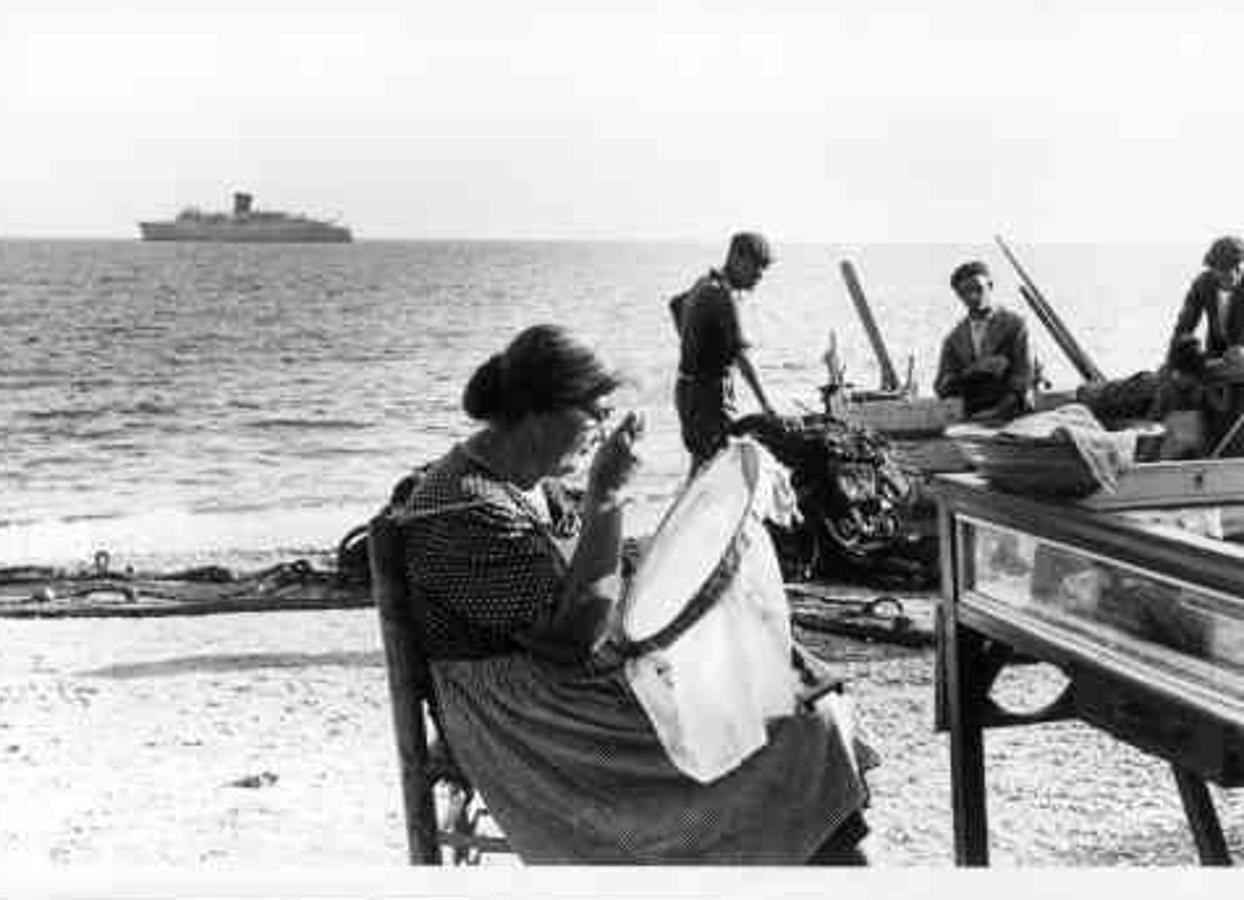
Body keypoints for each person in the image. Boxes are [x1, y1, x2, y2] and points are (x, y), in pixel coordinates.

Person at [397, 323, 872, 864]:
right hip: (533, 721)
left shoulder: (525, 481)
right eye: (594, 413)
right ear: (539, 410)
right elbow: (573, 635)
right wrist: (608, 497)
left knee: (793, 682)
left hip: (559, 688)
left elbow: (586, 586)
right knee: (793, 728)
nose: (602, 429)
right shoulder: (462, 506)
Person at [670, 232, 777, 473]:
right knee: (716, 468)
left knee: (701, 466)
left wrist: (694, 344)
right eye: (757, 266)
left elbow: (676, 305)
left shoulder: (704, 283)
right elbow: (743, 356)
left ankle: (683, 509)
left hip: (687, 390)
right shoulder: (722, 296)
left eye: (764, 268)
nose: (760, 275)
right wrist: (767, 405)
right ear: (736, 257)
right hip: (708, 397)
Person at [934, 260, 1033, 421]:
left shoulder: (1015, 325)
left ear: (990, 286)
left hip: (1014, 413)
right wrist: (974, 370)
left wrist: (1000, 411)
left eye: (978, 289)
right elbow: (941, 386)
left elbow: (1024, 377)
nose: (973, 296)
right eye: (965, 292)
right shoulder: (954, 339)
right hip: (971, 415)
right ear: (958, 295)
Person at [1168, 235, 1244, 359]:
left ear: (1238, 266)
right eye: (1218, 269)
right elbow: (1184, 326)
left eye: (1227, 269)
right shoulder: (1203, 284)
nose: (1222, 274)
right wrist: (1174, 357)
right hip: (1216, 355)